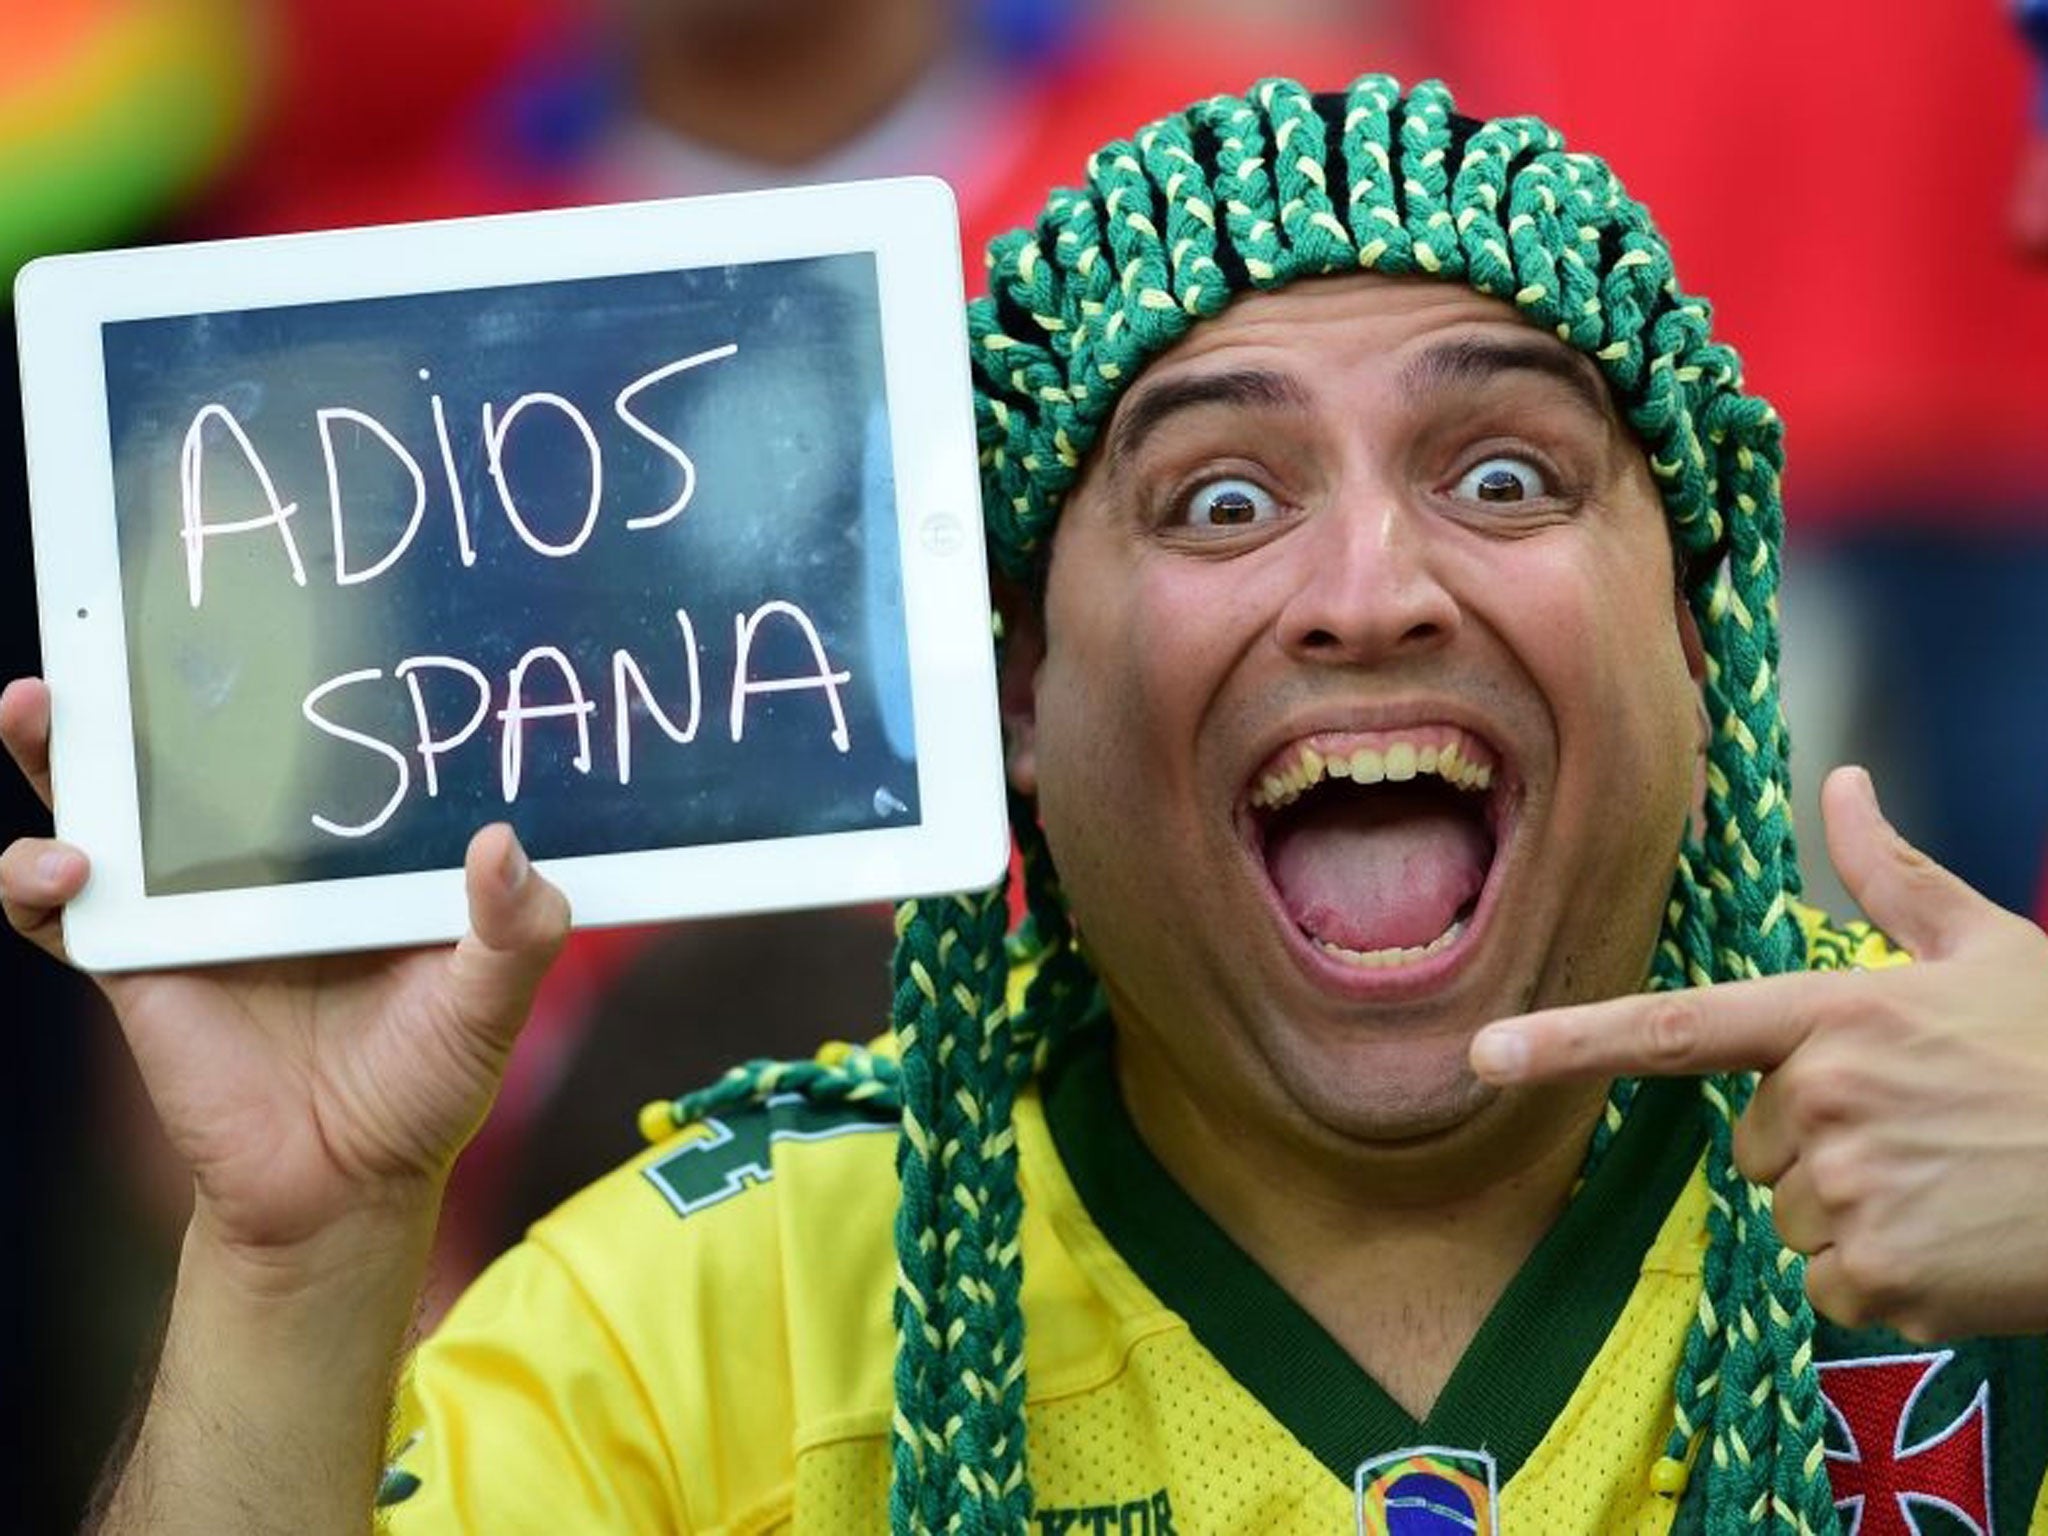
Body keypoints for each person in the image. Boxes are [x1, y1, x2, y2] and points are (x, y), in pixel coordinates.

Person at [8, 73, 2048, 1536]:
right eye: (1221, 499)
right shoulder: (709, 1321)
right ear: (1013, 704)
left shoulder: (1987, 1179)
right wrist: (298, 1265)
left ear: (1701, 633)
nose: (1368, 590)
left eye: (1501, 475)